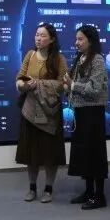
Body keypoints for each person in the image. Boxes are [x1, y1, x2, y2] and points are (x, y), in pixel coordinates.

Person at [15, 23, 68, 202]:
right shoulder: (30, 55)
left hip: (50, 111)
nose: (38, 38)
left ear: (52, 39)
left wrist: (39, 84)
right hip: (30, 110)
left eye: (43, 35)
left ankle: (48, 189)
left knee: (50, 152)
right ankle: (32, 188)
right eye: (37, 35)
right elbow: (19, 79)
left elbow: (63, 84)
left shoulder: (58, 58)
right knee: (31, 153)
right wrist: (24, 85)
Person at [67, 25, 109, 210]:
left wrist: (72, 85)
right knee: (84, 153)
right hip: (80, 111)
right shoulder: (80, 58)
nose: (76, 43)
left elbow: (94, 89)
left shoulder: (97, 59)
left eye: (80, 39)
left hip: (93, 112)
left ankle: (99, 196)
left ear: (90, 41)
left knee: (95, 153)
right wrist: (68, 85)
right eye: (76, 39)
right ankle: (89, 191)